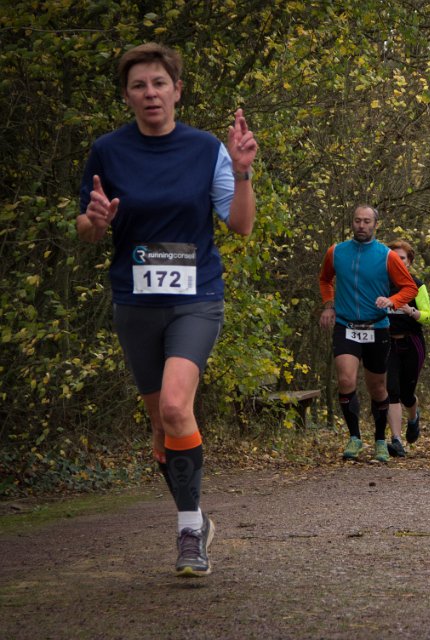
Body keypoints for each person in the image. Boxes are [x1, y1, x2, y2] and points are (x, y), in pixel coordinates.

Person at [76, 43, 258, 577]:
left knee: (177, 407)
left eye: (159, 83)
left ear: (177, 90)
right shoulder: (108, 151)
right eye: (139, 85)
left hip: (195, 299)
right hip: (135, 303)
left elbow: (241, 225)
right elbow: (86, 230)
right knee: (161, 425)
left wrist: (242, 173)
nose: (150, 93)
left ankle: (187, 532)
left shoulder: (205, 149)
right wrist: (96, 222)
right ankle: (197, 516)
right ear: (127, 96)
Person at [318, 205, 419, 464]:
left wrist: (392, 301)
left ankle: (380, 439)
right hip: (346, 325)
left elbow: (410, 288)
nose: (361, 225)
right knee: (345, 380)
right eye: (357, 221)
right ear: (352, 223)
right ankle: (354, 437)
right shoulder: (336, 251)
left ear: (375, 225)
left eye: (366, 221)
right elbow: (325, 280)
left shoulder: (387, 256)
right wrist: (328, 305)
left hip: (376, 327)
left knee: (377, 387)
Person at [384, 240, 430, 457]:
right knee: (391, 391)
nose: (398, 261)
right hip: (388, 343)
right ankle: (396, 440)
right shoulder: (381, 284)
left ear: (409, 261)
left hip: (412, 343)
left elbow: (428, 316)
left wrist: (411, 311)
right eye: (394, 258)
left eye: (402, 258)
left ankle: (413, 418)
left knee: (406, 394)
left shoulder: (416, 284)